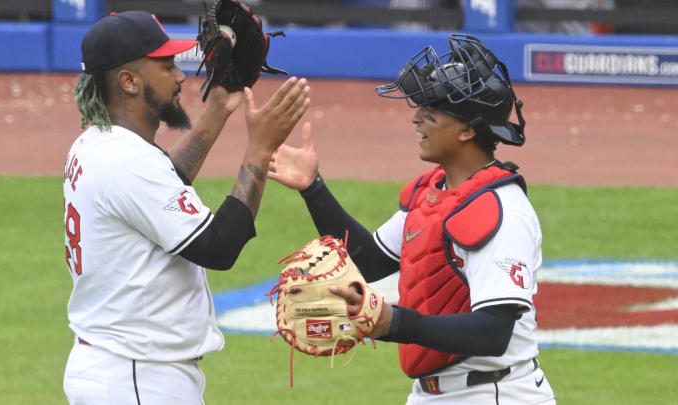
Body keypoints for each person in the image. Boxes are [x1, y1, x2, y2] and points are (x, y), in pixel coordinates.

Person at [268, 34, 555, 404]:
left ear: (468, 130)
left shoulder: (502, 210)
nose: (416, 118)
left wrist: (394, 322)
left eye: (431, 111)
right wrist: (313, 187)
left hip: (494, 392)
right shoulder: (433, 194)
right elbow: (368, 260)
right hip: (430, 394)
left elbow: (494, 330)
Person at [62, 10, 309, 404]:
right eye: (166, 65)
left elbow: (161, 186)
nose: (180, 76)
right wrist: (260, 148)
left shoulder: (98, 144)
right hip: (137, 376)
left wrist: (219, 108)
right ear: (128, 81)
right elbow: (218, 247)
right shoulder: (128, 164)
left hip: (118, 368)